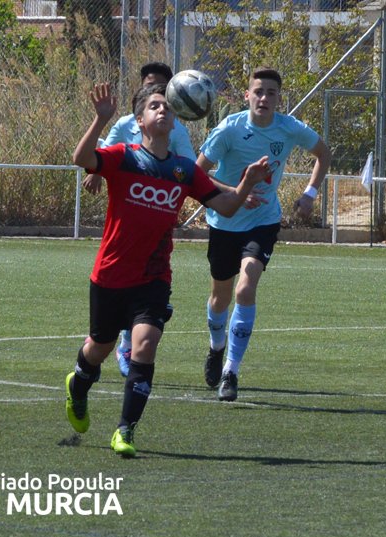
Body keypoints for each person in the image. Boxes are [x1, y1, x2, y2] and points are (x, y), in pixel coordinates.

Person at [67, 82, 270, 457]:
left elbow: (225, 207)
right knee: (99, 347)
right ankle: (78, 385)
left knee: (144, 346)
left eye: (168, 108)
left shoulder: (182, 171)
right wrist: (100, 120)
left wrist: (245, 184)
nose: (163, 111)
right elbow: (83, 158)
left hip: (153, 278)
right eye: (155, 107)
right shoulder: (124, 157)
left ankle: (125, 431)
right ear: (141, 120)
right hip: (111, 274)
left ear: (176, 121)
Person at [196, 67, 331, 402]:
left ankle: (231, 371)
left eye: (271, 93)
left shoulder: (289, 128)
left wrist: (310, 194)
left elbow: (324, 153)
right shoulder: (230, 128)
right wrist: (238, 190)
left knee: (247, 284)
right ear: (247, 96)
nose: (264, 98)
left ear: (278, 98)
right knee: (220, 298)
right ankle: (216, 348)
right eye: (258, 91)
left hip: (264, 221)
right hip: (225, 221)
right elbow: (196, 175)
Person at [83, 62, 198, 379]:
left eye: (164, 89)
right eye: (151, 88)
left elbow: (190, 168)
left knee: (147, 295)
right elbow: (101, 152)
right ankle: (98, 357)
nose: (158, 95)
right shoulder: (125, 125)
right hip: (127, 208)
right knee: (99, 339)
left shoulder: (176, 127)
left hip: (158, 219)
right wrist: (94, 173)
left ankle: (133, 338)